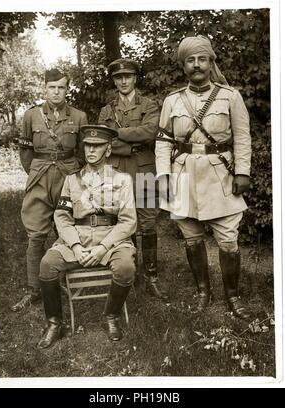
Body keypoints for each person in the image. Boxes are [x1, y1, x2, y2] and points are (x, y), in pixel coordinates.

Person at [155, 35, 251, 319]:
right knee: (192, 238)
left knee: (228, 240)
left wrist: (243, 172)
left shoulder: (230, 96)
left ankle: (232, 297)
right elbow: (163, 141)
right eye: (190, 60)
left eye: (202, 59)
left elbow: (243, 137)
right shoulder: (172, 100)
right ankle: (202, 292)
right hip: (183, 174)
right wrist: (163, 176)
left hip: (220, 175)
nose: (196, 65)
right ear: (183, 65)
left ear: (211, 62)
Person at [37, 125, 137, 348]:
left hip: (112, 238)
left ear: (108, 150)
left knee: (125, 268)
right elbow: (62, 217)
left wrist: (102, 248)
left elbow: (128, 221)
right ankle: (55, 323)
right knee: (47, 265)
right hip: (78, 237)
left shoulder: (122, 180)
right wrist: (75, 246)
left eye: (97, 146)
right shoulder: (72, 180)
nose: (91, 150)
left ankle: (111, 315)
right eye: (88, 145)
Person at [11, 68, 88, 312]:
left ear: (67, 89)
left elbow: (85, 152)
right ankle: (34, 290)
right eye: (52, 87)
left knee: (71, 230)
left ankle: (69, 280)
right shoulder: (31, 116)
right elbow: (26, 151)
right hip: (40, 177)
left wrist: (75, 177)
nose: (56, 92)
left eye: (61, 87)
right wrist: (35, 173)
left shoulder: (79, 116)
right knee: (36, 235)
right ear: (45, 88)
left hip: (69, 177)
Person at [98, 58, 168, 301]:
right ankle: (130, 274)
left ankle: (151, 277)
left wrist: (118, 135)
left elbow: (150, 132)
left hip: (145, 168)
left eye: (128, 76)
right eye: (119, 77)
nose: (123, 80)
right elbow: (102, 140)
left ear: (135, 78)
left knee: (148, 223)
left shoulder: (149, 105)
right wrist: (127, 145)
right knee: (121, 221)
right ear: (114, 80)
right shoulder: (107, 111)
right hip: (117, 170)